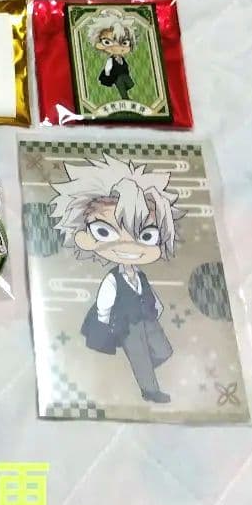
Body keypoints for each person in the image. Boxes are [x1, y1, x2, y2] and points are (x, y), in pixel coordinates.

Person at [49, 153, 183, 403]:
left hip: (147, 316)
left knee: (164, 350)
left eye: (147, 235)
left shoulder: (140, 274)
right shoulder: (113, 279)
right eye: (105, 231)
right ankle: (150, 390)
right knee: (140, 355)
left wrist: (157, 307)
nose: (128, 244)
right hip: (126, 322)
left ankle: (140, 366)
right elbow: (104, 303)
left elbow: (149, 294)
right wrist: (104, 323)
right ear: (86, 238)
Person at [86, 7, 137, 101]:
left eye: (124, 43)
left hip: (123, 76)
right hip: (114, 77)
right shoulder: (111, 60)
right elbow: (108, 69)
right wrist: (108, 76)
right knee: (120, 81)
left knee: (130, 83)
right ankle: (125, 98)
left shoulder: (122, 59)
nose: (117, 47)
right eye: (107, 42)